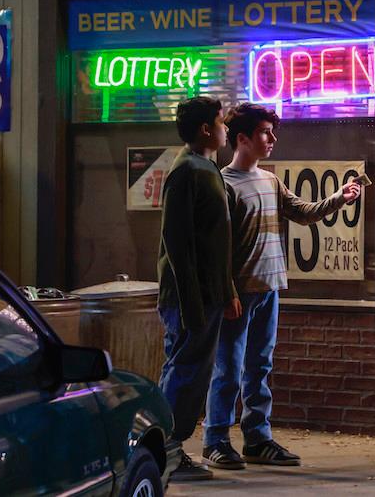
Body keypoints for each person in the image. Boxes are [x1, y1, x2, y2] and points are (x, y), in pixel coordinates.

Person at [202, 103, 362, 470]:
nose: (272, 138)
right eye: (264, 132)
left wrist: (339, 197)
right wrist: (226, 292)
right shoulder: (223, 184)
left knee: (258, 366)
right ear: (242, 138)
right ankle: (215, 440)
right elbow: (216, 247)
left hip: (270, 287)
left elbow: (303, 213)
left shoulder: (270, 180)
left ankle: (256, 438)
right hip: (239, 293)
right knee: (227, 369)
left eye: (272, 132)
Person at [158, 96, 242, 482]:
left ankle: (167, 449)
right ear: (207, 129)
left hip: (207, 296)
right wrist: (193, 305)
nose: (227, 129)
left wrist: (225, 292)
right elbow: (178, 243)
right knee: (185, 372)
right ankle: (167, 451)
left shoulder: (206, 167)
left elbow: (213, 244)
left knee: (191, 371)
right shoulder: (188, 170)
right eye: (222, 123)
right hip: (189, 299)